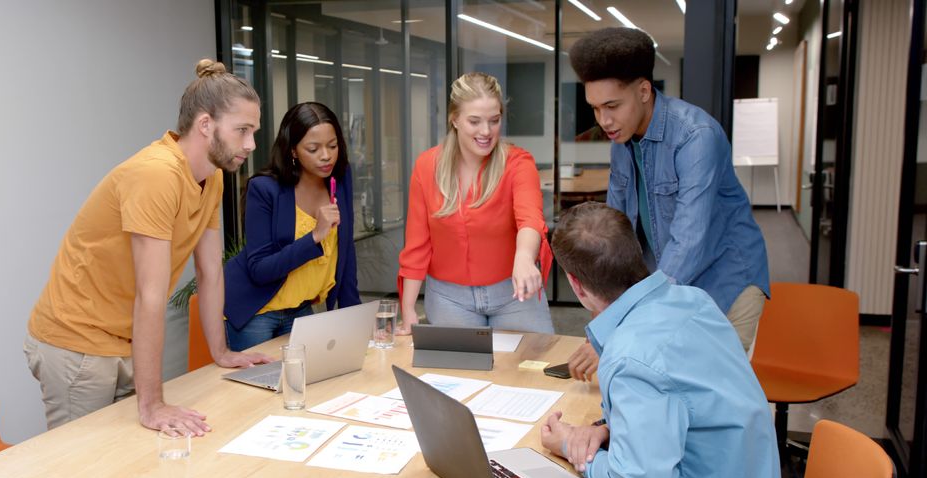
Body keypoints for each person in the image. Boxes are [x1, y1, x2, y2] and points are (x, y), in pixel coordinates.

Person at [540, 202, 793, 478]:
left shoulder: (630, 355)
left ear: (577, 286)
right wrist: (609, 430)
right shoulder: (694, 301)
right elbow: (688, 405)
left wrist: (570, 447)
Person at [25, 59, 270, 436]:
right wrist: (152, 404)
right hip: (77, 341)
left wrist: (221, 352)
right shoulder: (156, 174)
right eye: (242, 130)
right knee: (85, 462)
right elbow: (150, 295)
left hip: (123, 338)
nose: (251, 144)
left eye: (253, 131)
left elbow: (210, 273)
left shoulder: (213, 177)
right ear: (206, 124)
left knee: (131, 453)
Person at [566, 27, 770, 380]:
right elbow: (614, 232)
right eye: (595, 108)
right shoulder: (622, 141)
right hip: (667, 284)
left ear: (644, 91)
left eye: (612, 106)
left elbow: (688, 243)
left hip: (724, 282)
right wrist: (605, 312)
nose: (603, 121)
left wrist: (619, 323)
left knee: (707, 389)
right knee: (658, 379)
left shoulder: (696, 137)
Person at [397, 72, 553, 335]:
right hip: (449, 299)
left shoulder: (518, 163)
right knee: (458, 364)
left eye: (494, 120)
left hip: (514, 293)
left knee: (536, 359)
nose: (486, 132)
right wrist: (409, 308)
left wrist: (525, 257)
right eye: (474, 121)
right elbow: (417, 244)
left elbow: (530, 219)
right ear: (454, 119)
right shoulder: (427, 166)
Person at [223, 102, 360, 350]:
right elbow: (259, 269)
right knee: (263, 377)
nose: (326, 155)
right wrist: (314, 236)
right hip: (257, 312)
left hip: (300, 309)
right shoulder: (264, 189)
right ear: (293, 151)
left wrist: (354, 320)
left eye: (332, 146)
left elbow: (346, 250)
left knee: (313, 374)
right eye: (313, 149)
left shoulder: (339, 179)